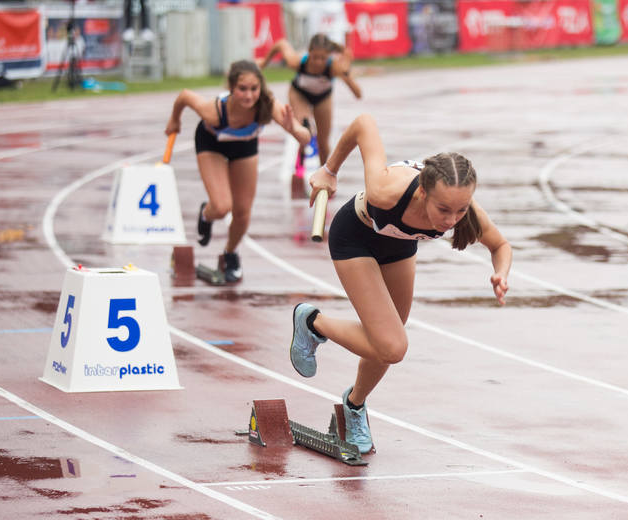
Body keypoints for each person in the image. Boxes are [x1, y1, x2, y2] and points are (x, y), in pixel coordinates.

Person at [289, 114, 512, 453]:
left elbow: (501, 246)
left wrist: (501, 273)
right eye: (444, 210)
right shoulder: (386, 189)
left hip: (399, 247)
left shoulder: (464, 210)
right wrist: (330, 170)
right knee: (392, 346)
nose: (452, 220)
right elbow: (364, 123)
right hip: (355, 239)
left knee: (387, 340)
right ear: (422, 192)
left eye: (461, 210)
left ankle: (354, 405)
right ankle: (312, 322)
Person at [165, 60, 311, 283]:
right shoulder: (214, 111)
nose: (249, 95)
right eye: (242, 89)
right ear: (231, 88)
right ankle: (207, 214)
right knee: (223, 207)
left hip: (245, 146)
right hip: (212, 143)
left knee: (242, 212)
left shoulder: (266, 104)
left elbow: (305, 137)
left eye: (254, 89)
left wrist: (294, 129)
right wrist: (174, 119)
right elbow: (185, 95)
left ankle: (230, 253)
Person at [258, 34, 362, 166]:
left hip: (323, 97)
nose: (318, 62)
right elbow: (281, 44)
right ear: (309, 53)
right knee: (305, 127)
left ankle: (324, 172)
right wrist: (264, 62)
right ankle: (300, 164)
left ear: (329, 56)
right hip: (299, 94)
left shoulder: (334, 68)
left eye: (323, 58)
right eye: (314, 57)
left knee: (323, 144)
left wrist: (347, 74)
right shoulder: (296, 62)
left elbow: (358, 94)